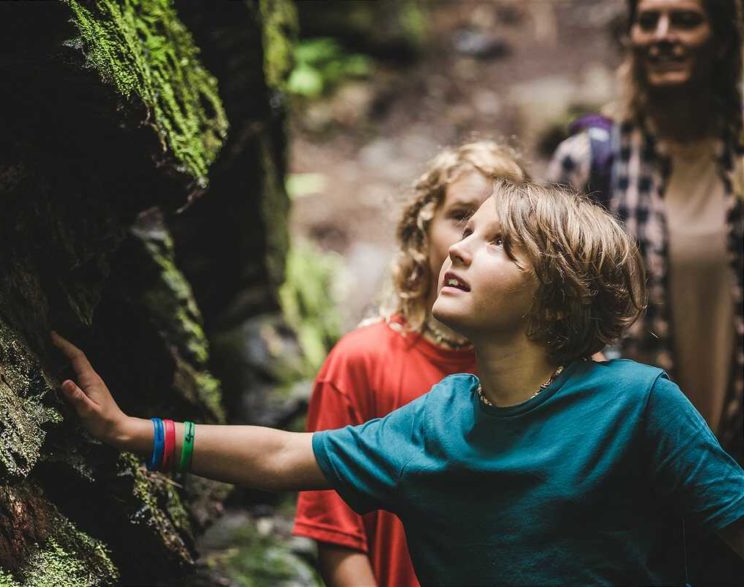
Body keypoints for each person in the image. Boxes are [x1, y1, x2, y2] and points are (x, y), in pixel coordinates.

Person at [52, 181, 744, 585]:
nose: (463, 248)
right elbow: (286, 455)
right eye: (465, 230)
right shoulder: (434, 419)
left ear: (558, 299)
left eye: (501, 243)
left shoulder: (638, 403)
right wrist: (128, 430)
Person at [292, 141, 529, 587]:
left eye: (502, 231)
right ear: (422, 232)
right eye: (461, 216)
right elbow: (337, 534)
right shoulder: (360, 361)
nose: (471, 243)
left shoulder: (548, 367)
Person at [548, 0, 744, 463]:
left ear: (719, 41)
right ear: (630, 38)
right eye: (647, 20)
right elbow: (547, 317)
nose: (662, 35)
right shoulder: (589, 162)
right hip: (633, 451)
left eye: (685, 20)